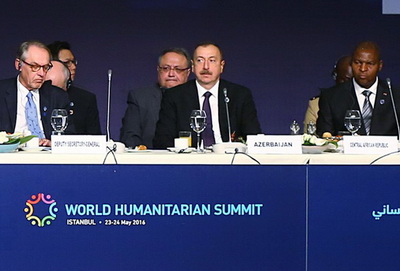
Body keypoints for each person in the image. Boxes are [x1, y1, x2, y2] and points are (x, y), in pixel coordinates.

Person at [153, 42, 261, 149]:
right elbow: (162, 139)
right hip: (189, 161)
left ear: (221, 66)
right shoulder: (175, 96)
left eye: (212, 60)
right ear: (193, 66)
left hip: (229, 160)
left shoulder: (239, 95)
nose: (206, 67)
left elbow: (253, 137)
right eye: (200, 60)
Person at [317, 41, 400, 137]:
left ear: (380, 66)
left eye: (369, 64)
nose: (363, 69)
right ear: (351, 63)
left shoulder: (395, 96)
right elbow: (324, 134)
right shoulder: (331, 97)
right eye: (358, 63)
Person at [0, 41, 73, 146]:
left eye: (45, 67)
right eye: (35, 67)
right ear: (18, 65)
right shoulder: (2, 92)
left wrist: (54, 143)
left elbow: (70, 135)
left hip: (47, 156)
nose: (41, 73)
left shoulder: (58, 96)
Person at [120, 48, 191, 148]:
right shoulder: (140, 97)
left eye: (178, 69)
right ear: (158, 70)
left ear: (188, 72)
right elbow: (130, 137)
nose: (171, 74)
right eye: (166, 68)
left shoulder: (197, 97)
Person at [47, 41, 101, 135]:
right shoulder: (35, 95)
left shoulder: (86, 99)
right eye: (67, 63)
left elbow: (95, 138)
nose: (73, 67)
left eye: (73, 62)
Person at [303, 55, 353, 131]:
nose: (348, 86)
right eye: (345, 80)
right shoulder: (316, 105)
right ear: (335, 77)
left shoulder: (368, 104)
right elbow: (310, 139)